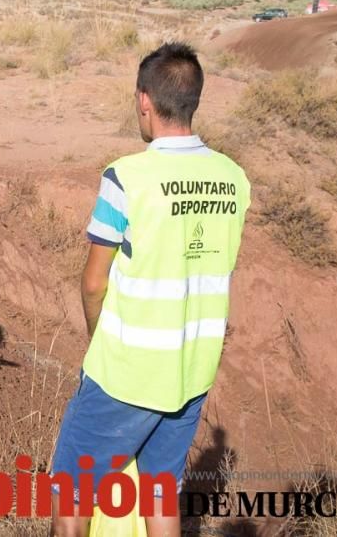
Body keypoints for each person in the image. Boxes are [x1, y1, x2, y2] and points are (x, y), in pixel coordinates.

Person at [49, 43, 251, 537]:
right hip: (191, 370)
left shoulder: (126, 178)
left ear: (144, 100)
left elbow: (94, 281)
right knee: (159, 491)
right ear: (194, 101)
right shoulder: (233, 178)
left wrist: (100, 342)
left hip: (127, 373)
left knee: (70, 491)